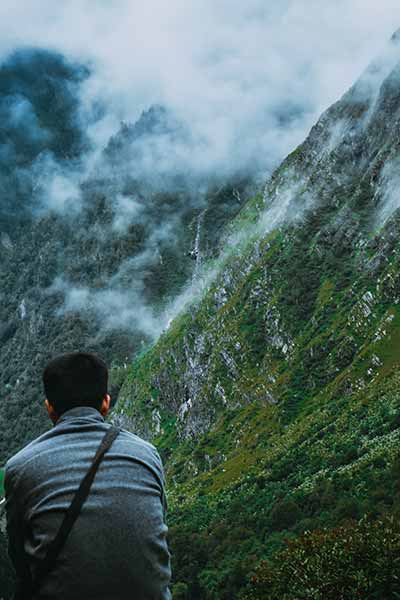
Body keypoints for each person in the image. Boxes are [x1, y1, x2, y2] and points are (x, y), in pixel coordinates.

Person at [4, 351, 172, 599]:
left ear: (49, 408)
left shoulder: (21, 467)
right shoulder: (147, 455)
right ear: (106, 402)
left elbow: (19, 556)